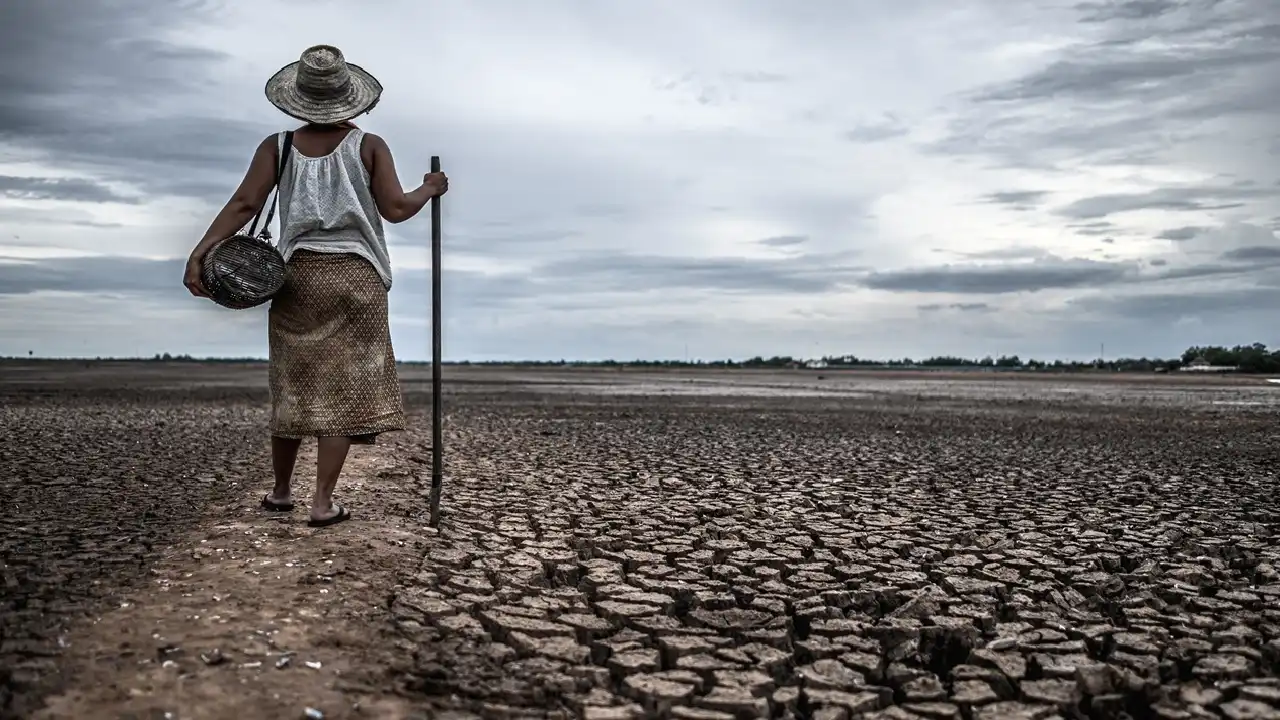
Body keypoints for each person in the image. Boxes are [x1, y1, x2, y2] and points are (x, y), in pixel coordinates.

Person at [183, 45, 448, 528]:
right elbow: (395, 208)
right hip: (357, 278)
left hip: (296, 276)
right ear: (352, 99)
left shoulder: (277, 146)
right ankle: (322, 503)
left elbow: (245, 204)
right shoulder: (369, 145)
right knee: (343, 391)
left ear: (298, 99)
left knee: (292, 383)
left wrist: (202, 250)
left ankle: (282, 491)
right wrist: (429, 189)